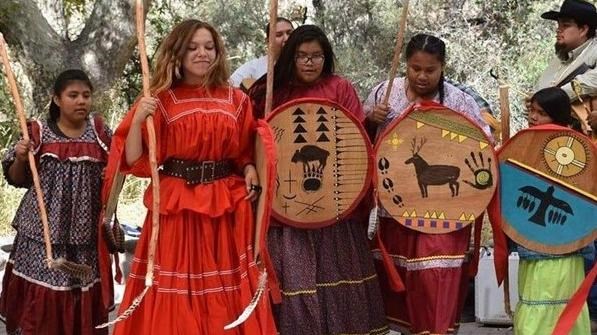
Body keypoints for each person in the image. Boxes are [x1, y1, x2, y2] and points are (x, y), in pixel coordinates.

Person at [108, 19, 276, 335]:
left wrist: (250, 168)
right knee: (176, 285)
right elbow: (135, 160)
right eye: (193, 47)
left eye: (209, 47)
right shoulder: (159, 99)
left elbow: (242, 153)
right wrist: (139, 118)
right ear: (178, 53)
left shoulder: (236, 100)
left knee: (223, 285)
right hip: (177, 207)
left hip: (223, 207)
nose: (202, 54)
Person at [249, 25, 389, 335]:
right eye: (302, 56)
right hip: (284, 208)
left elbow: (355, 138)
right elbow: (250, 139)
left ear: (326, 58)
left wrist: (371, 123)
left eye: (316, 56)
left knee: (337, 275)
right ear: (290, 57)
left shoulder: (340, 88)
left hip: (335, 206)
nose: (309, 63)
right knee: (293, 280)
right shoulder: (268, 89)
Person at [363, 33, 491, 334]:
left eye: (430, 70)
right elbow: (362, 144)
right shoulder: (385, 93)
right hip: (395, 207)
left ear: (442, 67)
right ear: (406, 64)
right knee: (399, 278)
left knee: (434, 275)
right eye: (415, 68)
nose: (421, 76)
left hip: (445, 211)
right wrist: (370, 119)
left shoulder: (461, 102)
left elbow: (482, 144)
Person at [0, 69, 112, 335]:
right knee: (41, 307)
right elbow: (18, 179)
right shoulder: (38, 134)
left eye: (86, 95)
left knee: (79, 302)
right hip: (42, 238)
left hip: (84, 240)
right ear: (57, 99)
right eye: (73, 95)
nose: (81, 101)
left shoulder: (99, 134)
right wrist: (19, 156)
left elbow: (114, 173)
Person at [508, 86, 591, 335]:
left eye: (541, 112)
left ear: (556, 115)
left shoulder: (579, 152)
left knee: (563, 306)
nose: (533, 117)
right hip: (531, 242)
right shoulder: (523, 146)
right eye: (531, 111)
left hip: (569, 246)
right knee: (534, 303)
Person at [533, 0, 597, 134]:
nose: (558, 29)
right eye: (558, 24)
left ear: (583, 30)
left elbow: (591, 81)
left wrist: (547, 101)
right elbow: (540, 92)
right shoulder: (558, 59)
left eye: (565, 25)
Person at [229, 17, 294, 90]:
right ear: (268, 41)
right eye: (279, 35)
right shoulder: (253, 67)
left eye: (289, 33)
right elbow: (230, 88)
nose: (286, 38)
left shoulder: (304, 67)